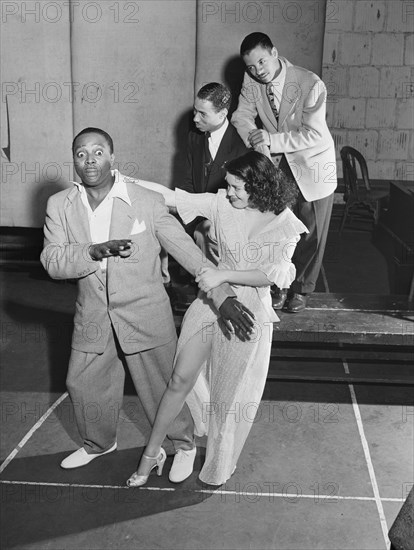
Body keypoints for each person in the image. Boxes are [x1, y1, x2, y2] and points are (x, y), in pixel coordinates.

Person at [40, 127, 254, 478]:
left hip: (145, 312)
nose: (89, 160)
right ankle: (98, 443)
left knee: (161, 386)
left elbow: (186, 251)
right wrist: (92, 252)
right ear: (74, 161)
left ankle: (182, 444)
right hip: (93, 315)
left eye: (97, 152)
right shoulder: (59, 205)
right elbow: (52, 260)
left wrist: (222, 294)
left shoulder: (145, 201)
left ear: (112, 157)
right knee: (83, 383)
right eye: (81, 153)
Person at [127, 151, 307, 487]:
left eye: (238, 187)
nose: (230, 192)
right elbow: (171, 197)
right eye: (229, 186)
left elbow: (275, 274)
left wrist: (223, 274)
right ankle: (151, 455)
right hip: (210, 301)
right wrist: (124, 181)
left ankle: (218, 466)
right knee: (180, 380)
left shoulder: (285, 222)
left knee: (227, 399)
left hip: (248, 312)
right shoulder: (222, 204)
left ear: (259, 186)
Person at [231, 32, 337, 312]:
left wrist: (269, 140)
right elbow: (240, 116)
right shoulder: (252, 79)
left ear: (275, 53)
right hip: (279, 164)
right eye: (251, 67)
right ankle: (280, 284)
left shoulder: (310, 83)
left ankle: (301, 289)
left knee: (310, 233)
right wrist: (254, 136)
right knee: (280, 229)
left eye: (262, 62)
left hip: (314, 165)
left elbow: (313, 133)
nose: (258, 71)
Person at [178, 82, 247, 262]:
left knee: (204, 233)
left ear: (222, 114)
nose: (195, 119)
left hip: (232, 215)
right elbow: (187, 180)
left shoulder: (242, 146)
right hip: (199, 212)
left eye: (203, 114)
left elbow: (245, 200)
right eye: (195, 111)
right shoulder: (194, 136)